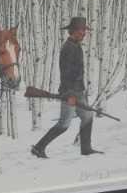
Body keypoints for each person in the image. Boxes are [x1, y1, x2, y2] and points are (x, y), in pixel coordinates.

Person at [31, 16, 101, 158]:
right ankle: (38, 148)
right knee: (64, 124)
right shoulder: (68, 48)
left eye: (84, 30)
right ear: (73, 31)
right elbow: (66, 74)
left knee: (87, 116)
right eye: (81, 30)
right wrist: (69, 95)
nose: (84, 33)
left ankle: (86, 148)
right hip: (70, 92)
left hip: (78, 91)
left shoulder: (76, 45)